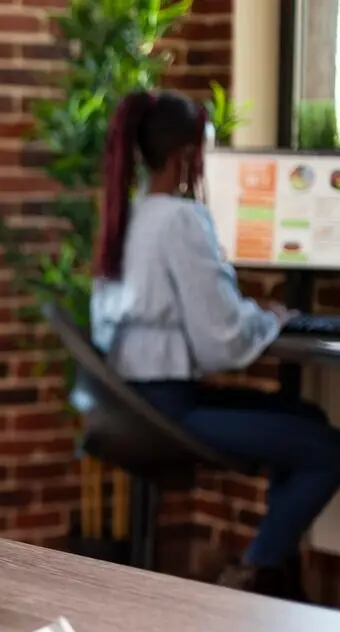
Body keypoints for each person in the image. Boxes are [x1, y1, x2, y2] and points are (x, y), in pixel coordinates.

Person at [90, 89, 340, 598]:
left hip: (132, 401)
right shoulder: (181, 220)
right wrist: (268, 318)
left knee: (307, 418)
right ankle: (254, 574)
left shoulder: (127, 214)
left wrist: (256, 318)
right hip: (170, 407)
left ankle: (272, 572)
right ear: (186, 157)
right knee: (327, 451)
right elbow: (221, 339)